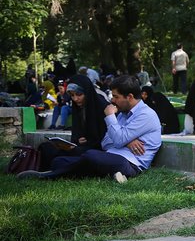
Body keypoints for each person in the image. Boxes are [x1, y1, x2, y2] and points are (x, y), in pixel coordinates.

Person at [18, 75, 162, 182]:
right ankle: (111, 176)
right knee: (60, 160)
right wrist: (127, 140)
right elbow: (106, 142)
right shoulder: (123, 114)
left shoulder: (146, 115)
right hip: (110, 156)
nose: (112, 100)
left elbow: (117, 140)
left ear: (129, 97)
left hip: (130, 164)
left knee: (91, 155)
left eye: (116, 97)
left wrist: (111, 118)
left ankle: (48, 176)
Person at [36, 74, 109, 171]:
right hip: (80, 147)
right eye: (72, 95)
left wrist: (89, 140)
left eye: (79, 95)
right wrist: (75, 141)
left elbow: (105, 136)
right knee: (45, 148)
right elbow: (77, 134)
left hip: (96, 150)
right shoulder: (77, 107)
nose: (75, 99)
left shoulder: (101, 105)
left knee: (68, 158)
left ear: (87, 92)